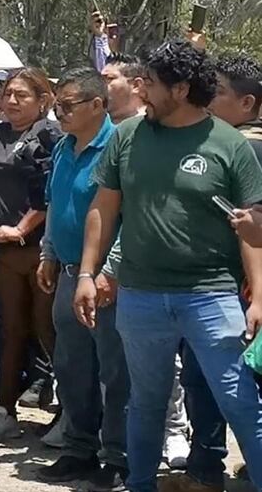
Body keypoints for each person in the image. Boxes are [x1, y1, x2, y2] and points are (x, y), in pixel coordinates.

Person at [79, 40, 262, 492]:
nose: (141, 93)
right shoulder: (127, 136)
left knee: (240, 402)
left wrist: (258, 294)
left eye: (151, 85)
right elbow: (103, 209)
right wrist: (87, 273)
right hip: (140, 296)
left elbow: (252, 226)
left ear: (180, 89)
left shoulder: (230, 143)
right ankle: (140, 485)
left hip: (212, 295)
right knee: (146, 403)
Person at [156, 53, 262, 492]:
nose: (207, 99)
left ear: (248, 103)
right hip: (229, 285)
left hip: (234, 288)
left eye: (217, 92)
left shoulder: (246, 147)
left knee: (217, 378)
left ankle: (204, 469)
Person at [34, 69, 130, 490]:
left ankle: (116, 456)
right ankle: (78, 449)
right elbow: (55, 204)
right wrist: (49, 253)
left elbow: (129, 218)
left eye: (67, 105)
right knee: (71, 368)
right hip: (70, 273)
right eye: (57, 105)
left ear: (97, 104)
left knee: (114, 371)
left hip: (109, 280)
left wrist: (110, 271)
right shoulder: (63, 147)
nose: (60, 113)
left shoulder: (121, 147)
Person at [101, 51, 193, 467]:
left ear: (138, 85)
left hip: (150, 269)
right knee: (124, 366)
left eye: (112, 79)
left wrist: (111, 266)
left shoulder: (159, 131)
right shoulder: (116, 133)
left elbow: (146, 210)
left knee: (163, 360)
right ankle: (126, 448)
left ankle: (174, 431)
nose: (105, 86)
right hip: (115, 268)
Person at [0, 67, 62, 444]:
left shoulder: (50, 135)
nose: (12, 101)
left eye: (23, 95)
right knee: (10, 331)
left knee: (47, 330)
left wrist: (23, 228)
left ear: (43, 101)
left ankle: (70, 415)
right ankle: (5, 411)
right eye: (8, 94)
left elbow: (53, 191)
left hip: (39, 249)